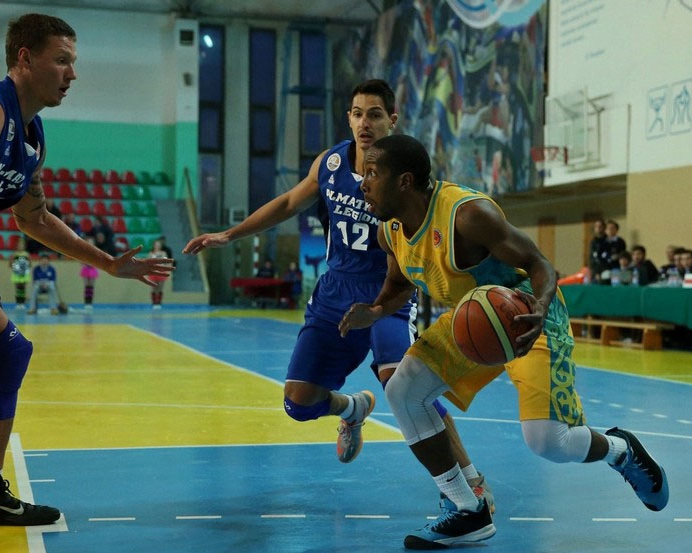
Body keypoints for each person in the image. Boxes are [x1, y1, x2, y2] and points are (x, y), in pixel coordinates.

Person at [0, 13, 173, 528]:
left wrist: (108, 263)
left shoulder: (31, 141)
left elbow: (35, 219)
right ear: (24, 59)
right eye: (62, 60)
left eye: (74, 62)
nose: (72, 74)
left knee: (6, 352)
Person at [340, 134, 668, 549]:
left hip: (527, 316)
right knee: (403, 390)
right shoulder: (389, 230)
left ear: (404, 181)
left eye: (372, 173)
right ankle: (468, 508)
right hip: (473, 320)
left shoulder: (467, 215)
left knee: (548, 441)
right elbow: (399, 284)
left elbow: (539, 263)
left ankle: (622, 451)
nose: (363, 183)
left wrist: (540, 308)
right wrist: (375, 310)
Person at [183, 80, 492, 505]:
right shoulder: (330, 164)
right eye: (357, 113)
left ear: (392, 120)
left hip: (386, 293)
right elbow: (288, 203)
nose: (365, 123)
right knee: (298, 403)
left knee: (404, 387)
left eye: (375, 114)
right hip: (335, 291)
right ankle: (351, 409)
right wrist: (229, 235)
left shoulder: (406, 172)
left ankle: (469, 480)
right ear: (348, 118)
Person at [8, 237, 32, 309]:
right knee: (18, 288)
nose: (20, 246)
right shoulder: (14, 255)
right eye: (19, 245)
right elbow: (10, 264)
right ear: (17, 246)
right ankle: (18, 302)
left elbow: (30, 264)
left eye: (22, 245)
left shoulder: (26, 255)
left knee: (23, 288)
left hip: (24, 273)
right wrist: (14, 267)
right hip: (17, 273)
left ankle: (22, 303)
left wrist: (25, 269)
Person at [148, 238, 170, 310]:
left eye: (159, 245)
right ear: (154, 245)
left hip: (161, 272)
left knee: (160, 287)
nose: (157, 246)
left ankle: (159, 303)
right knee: (154, 288)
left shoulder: (163, 253)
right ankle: (154, 303)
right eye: (156, 244)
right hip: (153, 272)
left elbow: (166, 262)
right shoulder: (150, 254)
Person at [80, 235, 99, 310]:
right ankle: (86, 303)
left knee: (91, 286)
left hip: (93, 269)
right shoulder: (84, 250)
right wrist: (85, 263)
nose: (90, 243)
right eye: (89, 242)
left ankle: (90, 303)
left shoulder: (96, 250)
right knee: (86, 286)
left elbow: (97, 260)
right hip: (86, 268)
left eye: (91, 242)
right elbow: (81, 260)